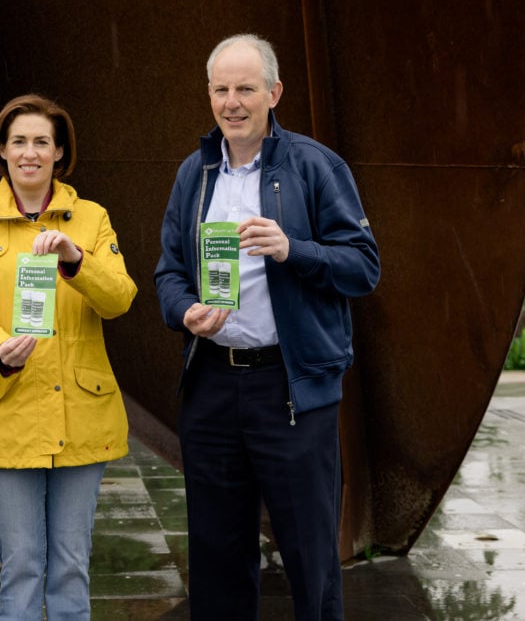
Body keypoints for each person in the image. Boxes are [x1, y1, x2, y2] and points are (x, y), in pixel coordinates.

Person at [154, 34, 380, 620]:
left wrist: (293, 250)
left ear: (273, 93)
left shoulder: (314, 164)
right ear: (208, 95)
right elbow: (169, 273)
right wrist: (184, 312)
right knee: (217, 559)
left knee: (310, 558)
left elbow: (363, 266)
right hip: (211, 388)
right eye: (221, 89)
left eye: (246, 89)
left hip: (291, 388)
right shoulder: (194, 174)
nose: (232, 102)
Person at [0, 94, 138, 619]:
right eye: (19, 142)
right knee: (23, 563)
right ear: (2, 152)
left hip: (82, 413)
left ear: (59, 153)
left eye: (41, 142)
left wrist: (76, 259)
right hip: (7, 410)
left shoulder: (92, 219)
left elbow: (120, 299)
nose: (29, 152)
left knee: (72, 563)